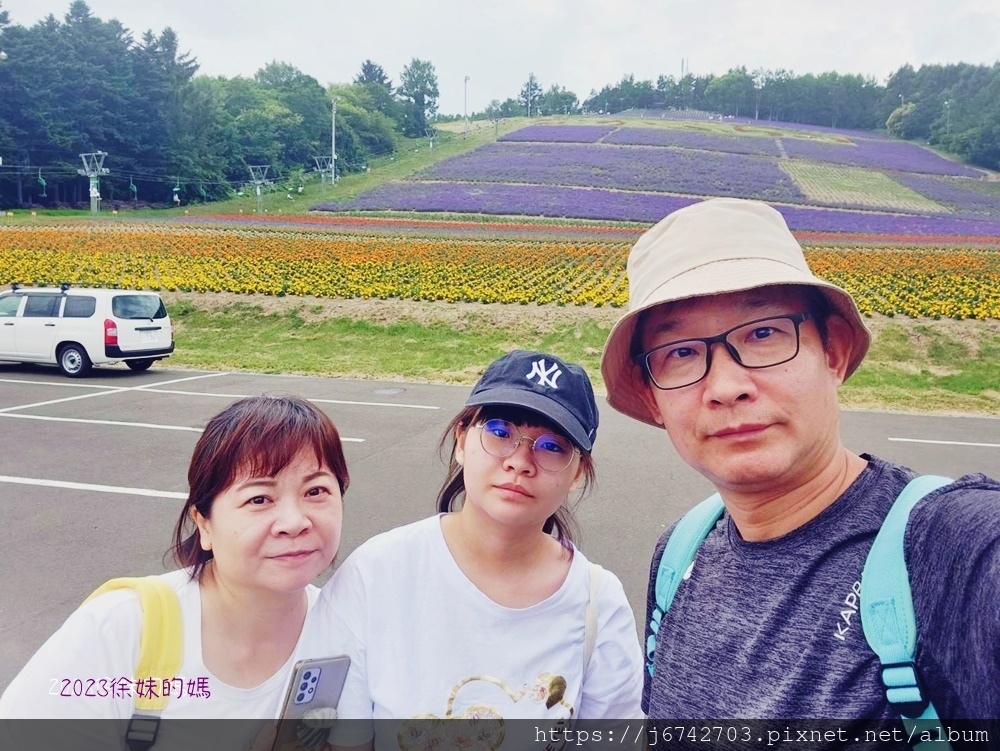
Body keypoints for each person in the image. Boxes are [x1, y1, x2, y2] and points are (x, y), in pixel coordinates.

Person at [599, 198, 1000, 726]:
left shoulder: (952, 548)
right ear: (654, 400)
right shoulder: (679, 555)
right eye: (681, 353)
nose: (726, 387)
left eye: (763, 333)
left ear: (832, 352)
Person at [297, 350, 643, 749]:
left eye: (552, 446)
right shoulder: (376, 574)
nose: (520, 461)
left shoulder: (599, 604)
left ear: (577, 473)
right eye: (500, 431)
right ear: (462, 440)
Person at [0, 395, 350, 741]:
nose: (293, 521)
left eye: (316, 490)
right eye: (259, 499)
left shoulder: (346, 631)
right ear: (205, 524)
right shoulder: (123, 627)